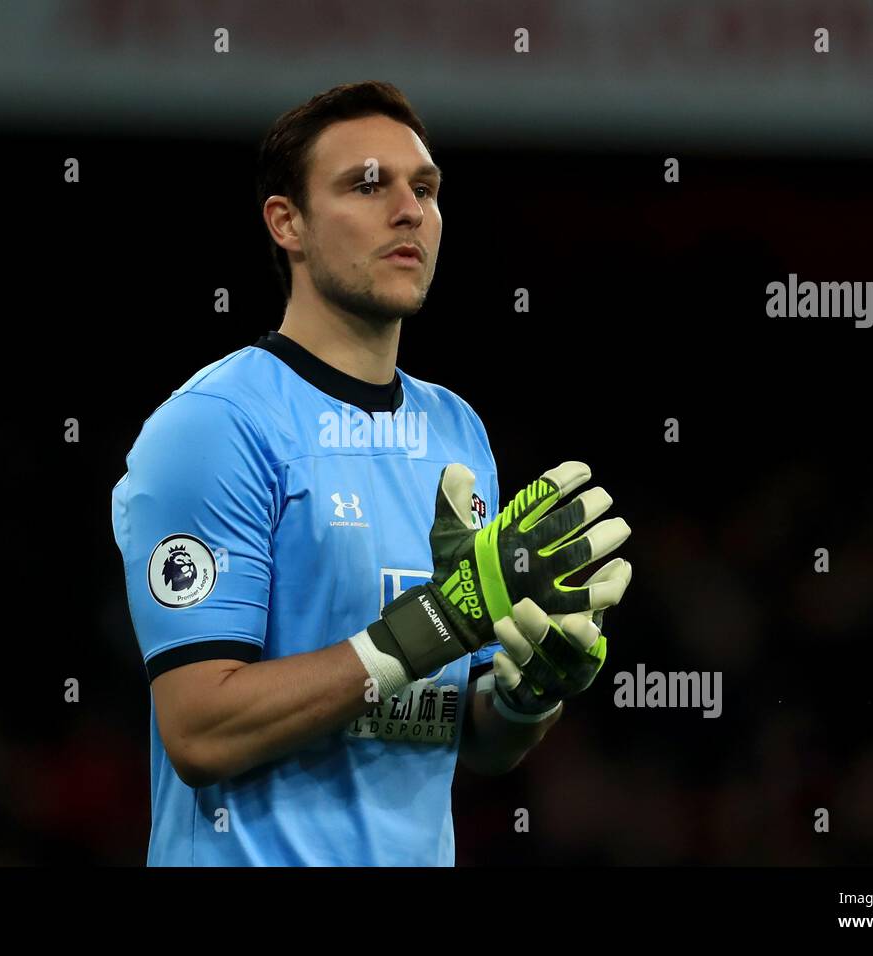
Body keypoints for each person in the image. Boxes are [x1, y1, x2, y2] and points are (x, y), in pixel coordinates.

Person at [111, 80, 633, 866]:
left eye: (424, 189)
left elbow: (466, 740)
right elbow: (199, 730)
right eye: (367, 184)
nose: (409, 211)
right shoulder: (215, 425)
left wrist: (529, 697)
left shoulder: (457, 432)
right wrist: (444, 619)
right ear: (287, 223)